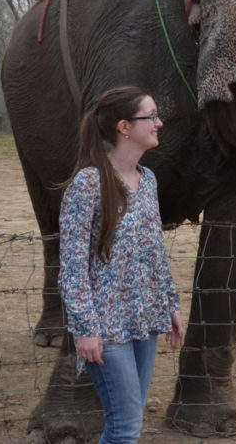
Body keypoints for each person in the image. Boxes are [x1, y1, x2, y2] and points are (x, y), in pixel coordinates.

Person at [59, 85, 186, 444]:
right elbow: (71, 268)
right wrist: (85, 328)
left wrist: (170, 306)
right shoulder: (87, 185)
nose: (159, 123)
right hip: (106, 326)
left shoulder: (147, 182)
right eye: (151, 116)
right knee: (125, 426)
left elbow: (154, 253)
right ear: (124, 127)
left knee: (127, 422)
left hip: (145, 320)